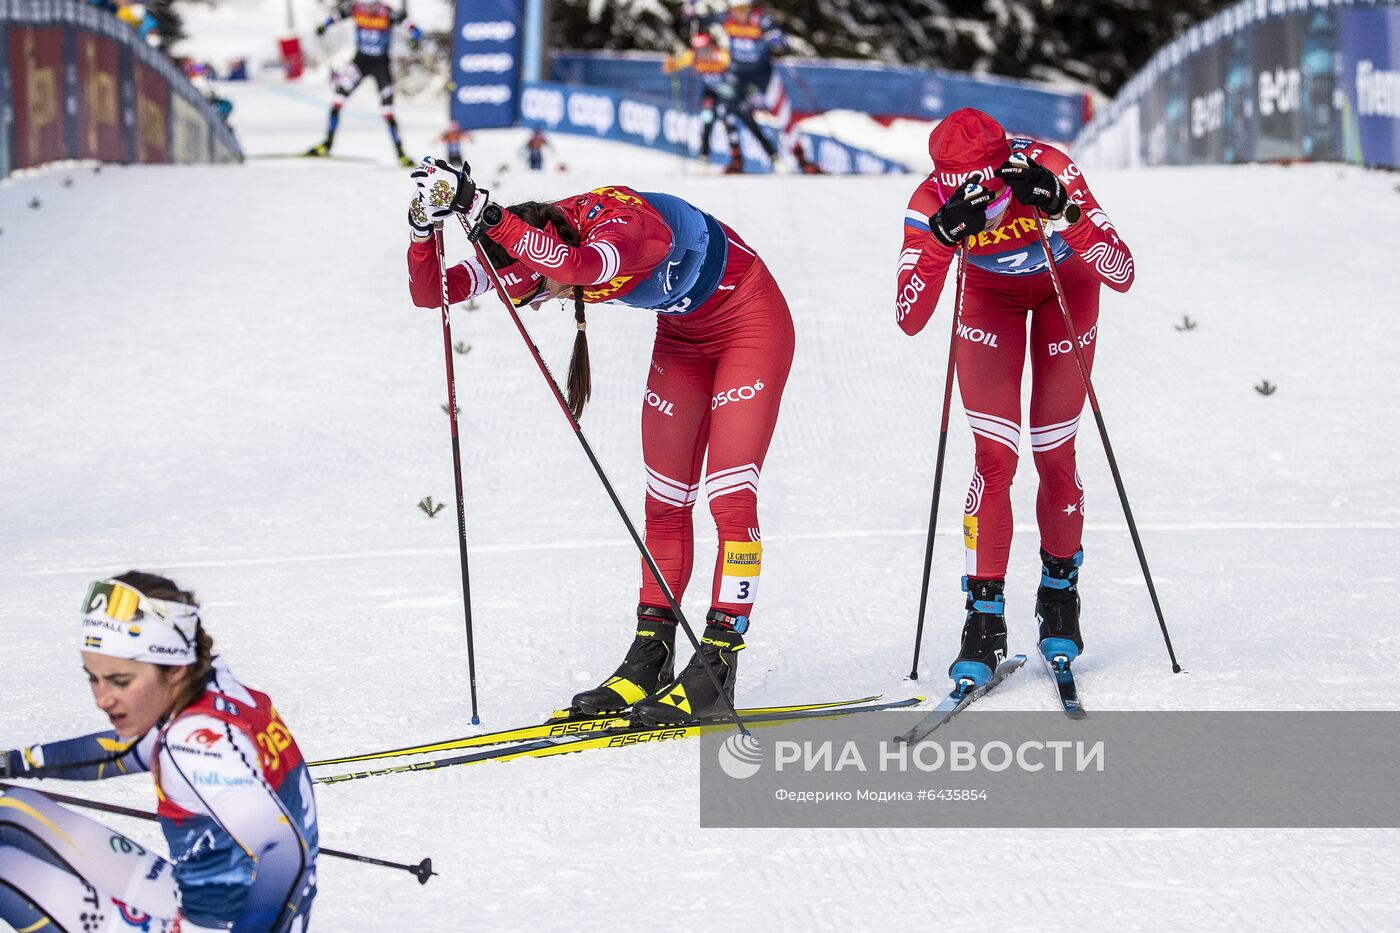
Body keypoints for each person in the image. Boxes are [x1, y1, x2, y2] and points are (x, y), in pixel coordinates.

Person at [405, 161, 795, 725]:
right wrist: (423, 229)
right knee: (664, 501)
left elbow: (578, 265)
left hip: (750, 323)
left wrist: (483, 208)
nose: (540, 301)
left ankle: (719, 662)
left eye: (540, 291)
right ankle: (651, 656)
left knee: (729, 496)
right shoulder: (535, 240)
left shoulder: (620, 230)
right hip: (684, 339)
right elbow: (434, 293)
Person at [894, 107, 1135, 689]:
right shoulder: (928, 202)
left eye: (983, 182)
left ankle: (1059, 593)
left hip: (1065, 292)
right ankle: (984, 613)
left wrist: (1062, 210)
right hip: (987, 303)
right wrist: (942, 240)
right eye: (959, 188)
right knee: (994, 457)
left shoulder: (1047, 164)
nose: (978, 198)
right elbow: (908, 315)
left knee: (1055, 449)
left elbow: (1121, 269)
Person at [0, 572, 318, 932]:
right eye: (93, 676)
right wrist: (10, 763)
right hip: (201, 900)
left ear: (174, 669)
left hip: (218, 925)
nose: (101, 699)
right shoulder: (210, 694)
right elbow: (119, 753)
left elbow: (285, 853)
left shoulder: (193, 744)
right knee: (13, 808)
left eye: (121, 681)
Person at [306, 0, 421, 166]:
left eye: (371, 6)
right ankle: (327, 144)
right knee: (338, 100)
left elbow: (415, 29)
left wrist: (414, 39)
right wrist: (324, 26)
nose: (368, 10)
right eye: (365, 6)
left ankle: (401, 154)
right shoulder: (355, 9)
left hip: (381, 66)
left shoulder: (388, 12)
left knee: (387, 111)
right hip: (360, 63)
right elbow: (335, 17)